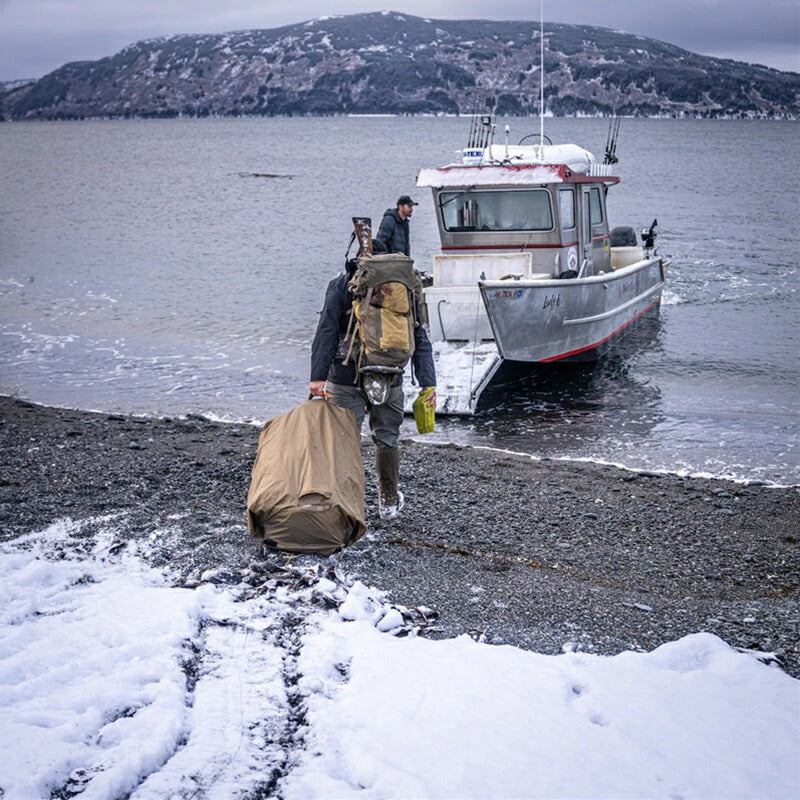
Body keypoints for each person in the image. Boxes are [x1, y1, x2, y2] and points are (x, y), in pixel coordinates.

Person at [309, 252, 436, 521]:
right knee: (387, 438)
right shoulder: (402, 286)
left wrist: (317, 377)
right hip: (391, 375)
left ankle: (346, 506)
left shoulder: (342, 284)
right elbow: (419, 334)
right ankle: (388, 502)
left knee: (344, 441)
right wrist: (428, 383)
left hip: (345, 376)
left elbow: (327, 330)